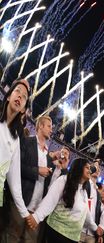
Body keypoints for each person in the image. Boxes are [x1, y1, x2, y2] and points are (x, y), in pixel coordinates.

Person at [3, 115, 56, 242]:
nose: (51, 130)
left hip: (36, 210)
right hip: (20, 203)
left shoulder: (48, 156)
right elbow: (17, 168)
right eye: (49, 126)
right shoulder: (26, 142)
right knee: (12, 237)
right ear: (40, 126)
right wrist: (37, 170)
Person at [26, 158, 98, 243]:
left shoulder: (84, 192)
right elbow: (50, 200)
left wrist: (96, 229)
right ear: (78, 168)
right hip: (56, 233)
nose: (90, 170)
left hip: (72, 237)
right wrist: (37, 216)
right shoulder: (64, 180)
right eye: (87, 167)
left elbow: (86, 214)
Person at [0, 79, 32, 237]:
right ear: (8, 96)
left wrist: (25, 213)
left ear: (23, 109)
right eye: (17, 91)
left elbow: (14, 180)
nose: (20, 96)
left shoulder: (15, 140)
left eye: (24, 96)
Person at [80, 161, 102, 243]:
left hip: (91, 234)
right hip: (80, 229)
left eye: (98, 169)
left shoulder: (97, 193)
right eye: (94, 167)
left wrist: (98, 234)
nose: (97, 170)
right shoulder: (84, 183)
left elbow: (97, 214)